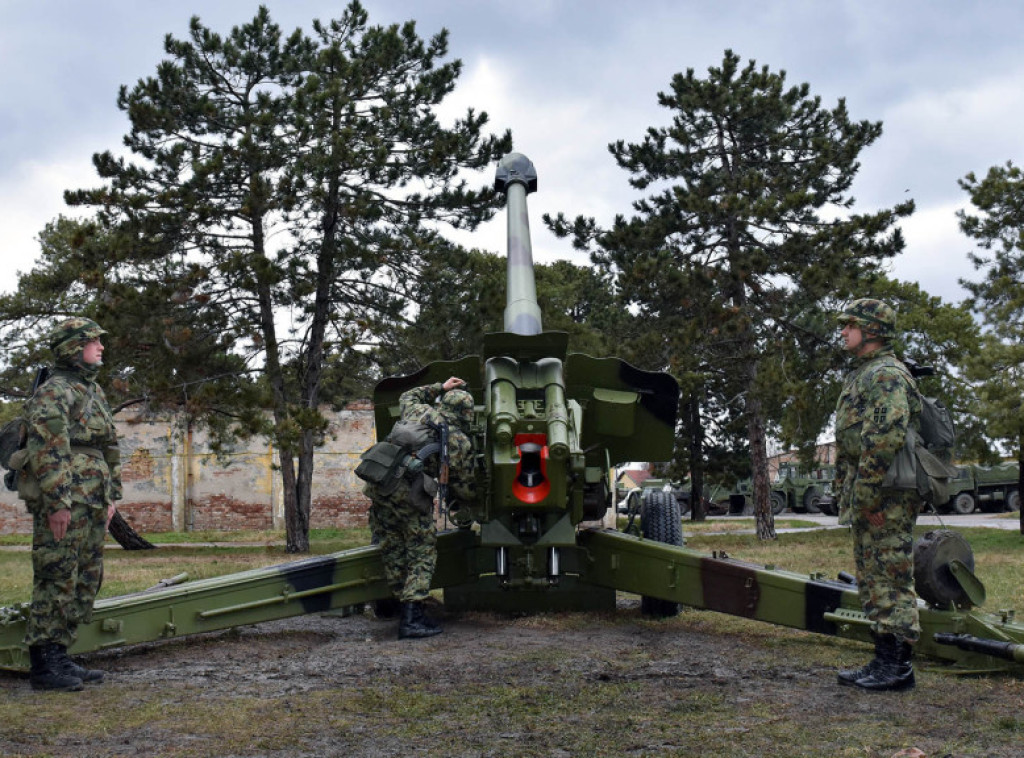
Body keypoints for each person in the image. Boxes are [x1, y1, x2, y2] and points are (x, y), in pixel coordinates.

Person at [21, 317, 122, 691]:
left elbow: (110, 447)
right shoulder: (55, 391)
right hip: (67, 498)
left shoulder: (94, 393)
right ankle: (44, 663)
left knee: (86, 577)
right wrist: (57, 502)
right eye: (93, 341)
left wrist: (112, 496)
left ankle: (60, 653)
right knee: (56, 574)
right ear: (73, 347)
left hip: (94, 498)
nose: (101, 347)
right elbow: (48, 449)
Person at [833, 298, 922, 692]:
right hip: (870, 491)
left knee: (891, 576)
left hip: (885, 494)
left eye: (849, 325)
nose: (842, 332)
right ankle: (882, 659)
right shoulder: (865, 373)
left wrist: (867, 495)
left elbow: (884, 437)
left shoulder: (886, 374)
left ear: (871, 330)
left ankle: (899, 668)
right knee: (872, 578)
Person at [365, 376, 475, 639]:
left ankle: (394, 604)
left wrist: (440, 386)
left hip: (380, 488)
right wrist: (469, 502)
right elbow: (462, 484)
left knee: (392, 546)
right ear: (466, 413)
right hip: (408, 497)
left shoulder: (420, 410)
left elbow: (407, 396)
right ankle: (412, 618)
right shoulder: (459, 440)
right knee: (421, 553)